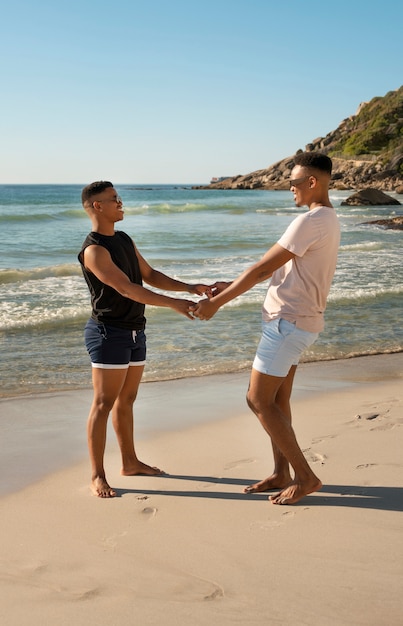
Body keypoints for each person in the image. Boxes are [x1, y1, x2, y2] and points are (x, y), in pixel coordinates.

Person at [194, 152, 340, 505]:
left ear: (312, 182)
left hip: (288, 324)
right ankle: (281, 472)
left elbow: (260, 269)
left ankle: (306, 476)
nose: (288, 187)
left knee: (257, 398)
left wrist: (217, 302)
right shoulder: (327, 219)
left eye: (293, 182)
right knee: (277, 399)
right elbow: (285, 270)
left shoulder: (310, 221)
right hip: (299, 321)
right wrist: (231, 284)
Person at [79, 181, 210, 498]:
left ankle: (130, 462)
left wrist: (190, 288)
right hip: (109, 332)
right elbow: (126, 288)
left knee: (127, 400)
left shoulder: (123, 239)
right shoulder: (94, 250)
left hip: (136, 329)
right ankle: (97, 475)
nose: (120, 203)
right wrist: (174, 304)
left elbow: (149, 275)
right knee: (103, 403)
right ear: (98, 206)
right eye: (114, 199)